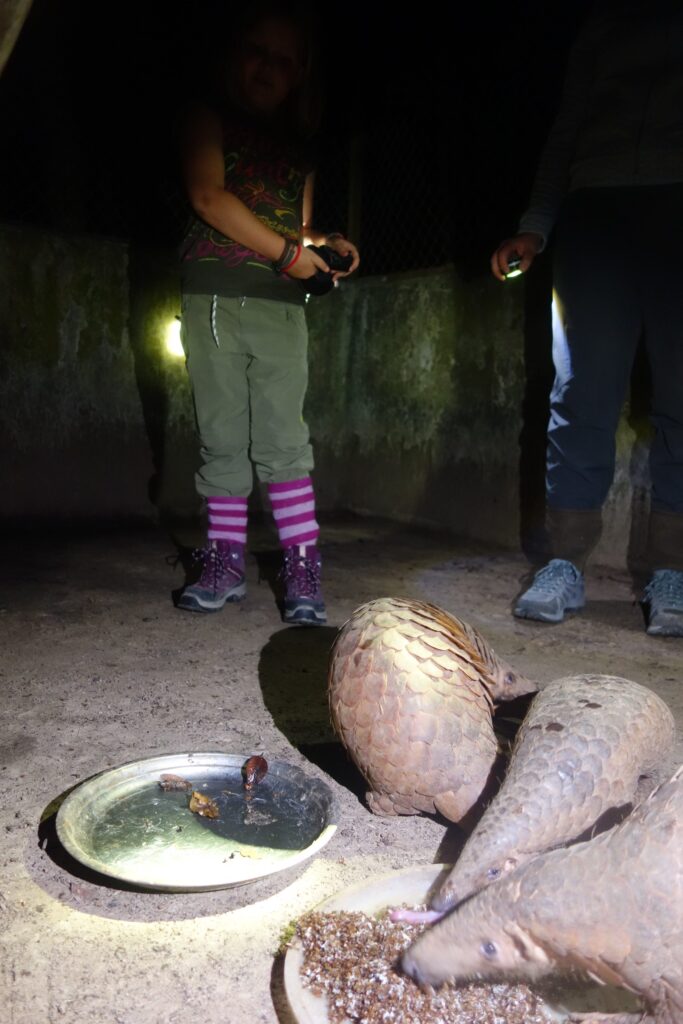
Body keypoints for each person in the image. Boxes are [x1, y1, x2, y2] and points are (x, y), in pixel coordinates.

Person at [491, 0, 683, 637]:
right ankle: (565, 562)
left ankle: (673, 570)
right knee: (580, 391)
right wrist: (535, 225)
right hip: (594, 211)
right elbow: (567, 129)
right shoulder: (601, 23)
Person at [175, 2, 359, 625]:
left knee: (284, 441)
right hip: (214, 299)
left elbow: (294, 227)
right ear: (235, 52)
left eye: (283, 59)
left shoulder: (299, 149)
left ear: (299, 73)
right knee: (221, 436)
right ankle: (224, 560)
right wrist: (290, 256)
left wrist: (322, 242)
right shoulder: (207, 116)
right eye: (258, 50)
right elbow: (208, 196)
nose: (268, 66)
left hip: (282, 310)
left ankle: (302, 565)